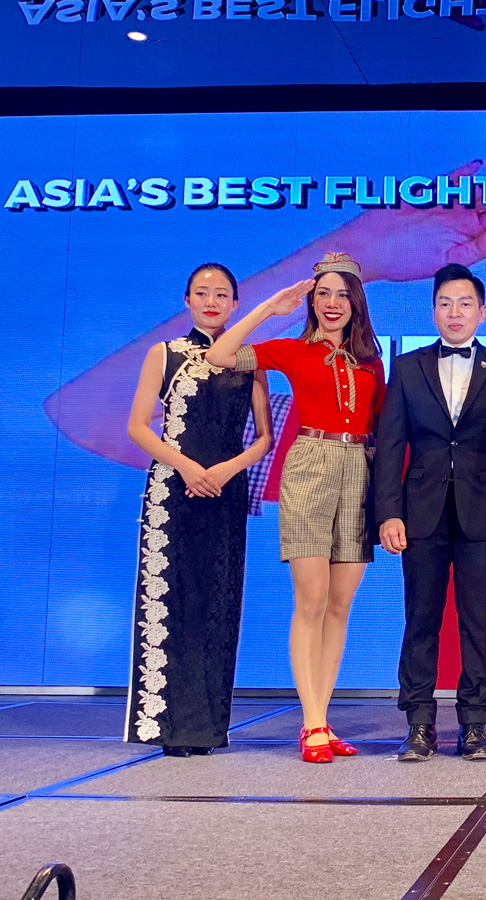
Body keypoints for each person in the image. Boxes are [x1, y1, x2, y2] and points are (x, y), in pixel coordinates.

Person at [207, 252, 386, 764]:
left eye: (342, 294)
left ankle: (322, 720)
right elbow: (219, 356)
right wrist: (270, 308)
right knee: (311, 599)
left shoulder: (371, 361)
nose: (332, 303)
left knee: (340, 604)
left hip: (360, 469)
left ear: (356, 302)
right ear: (311, 301)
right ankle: (310, 724)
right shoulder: (292, 349)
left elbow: (382, 426)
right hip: (309, 465)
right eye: (323, 293)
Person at [375, 263, 486, 762]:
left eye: (465, 304)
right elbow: (390, 444)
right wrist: (388, 512)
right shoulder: (407, 367)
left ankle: (474, 725)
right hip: (419, 513)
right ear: (433, 311)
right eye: (445, 303)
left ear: (482, 312)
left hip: (483, 513)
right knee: (420, 619)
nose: (455, 312)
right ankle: (419, 724)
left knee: (476, 620)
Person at [124, 263, 273, 755]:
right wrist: (187, 467)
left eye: (222, 294)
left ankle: (207, 728)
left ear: (235, 303)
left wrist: (227, 469)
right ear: (187, 300)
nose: (212, 302)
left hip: (226, 491)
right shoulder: (163, 354)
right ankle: (168, 727)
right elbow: (138, 427)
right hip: (174, 491)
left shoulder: (249, 360)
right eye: (203, 293)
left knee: (218, 603)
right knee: (174, 600)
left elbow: (264, 438)